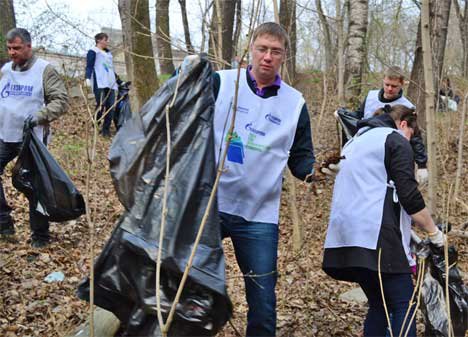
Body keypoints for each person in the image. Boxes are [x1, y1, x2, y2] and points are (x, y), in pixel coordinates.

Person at [212, 22, 315, 336]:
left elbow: (300, 158)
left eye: (276, 51)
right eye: (262, 49)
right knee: (189, 278)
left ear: (284, 56)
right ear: (250, 48)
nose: (268, 57)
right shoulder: (222, 83)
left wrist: (316, 171)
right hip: (211, 204)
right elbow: (181, 113)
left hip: (259, 214)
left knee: (263, 298)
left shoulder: (294, 104)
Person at [322, 104, 445, 337]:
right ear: (403, 125)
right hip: (375, 237)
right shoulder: (395, 139)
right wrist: (434, 232)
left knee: (380, 305)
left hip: (344, 237)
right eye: (411, 134)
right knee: (403, 304)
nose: (410, 140)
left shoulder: (355, 141)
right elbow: (409, 196)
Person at [0, 28, 69, 247]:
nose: (12, 53)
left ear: (29, 46)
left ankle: (40, 236)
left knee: (35, 186)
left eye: (17, 48)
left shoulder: (44, 70)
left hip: (32, 138)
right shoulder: (5, 70)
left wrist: (39, 116)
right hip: (5, 135)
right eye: (9, 48)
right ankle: (3, 222)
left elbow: (61, 101)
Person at [335, 67, 429, 184]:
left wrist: (421, 164)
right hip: (366, 153)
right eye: (387, 84)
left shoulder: (407, 107)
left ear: (402, 84)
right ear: (383, 80)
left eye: (394, 86)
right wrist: (344, 115)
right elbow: (359, 116)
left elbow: (415, 137)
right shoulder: (370, 97)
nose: (389, 89)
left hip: (391, 157)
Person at [85, 32, 118, 137]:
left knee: (110, 107)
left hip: (110, 83)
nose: (107, 42)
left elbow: (111, 69)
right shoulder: (93, 52)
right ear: (99, 40)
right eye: (105, 39)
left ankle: (106, 131)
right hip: (99, 82)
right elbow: (89, 66)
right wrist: (87, 78)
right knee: (101, 105)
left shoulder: (109, 54)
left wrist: (119, 81)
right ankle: (95, 126)